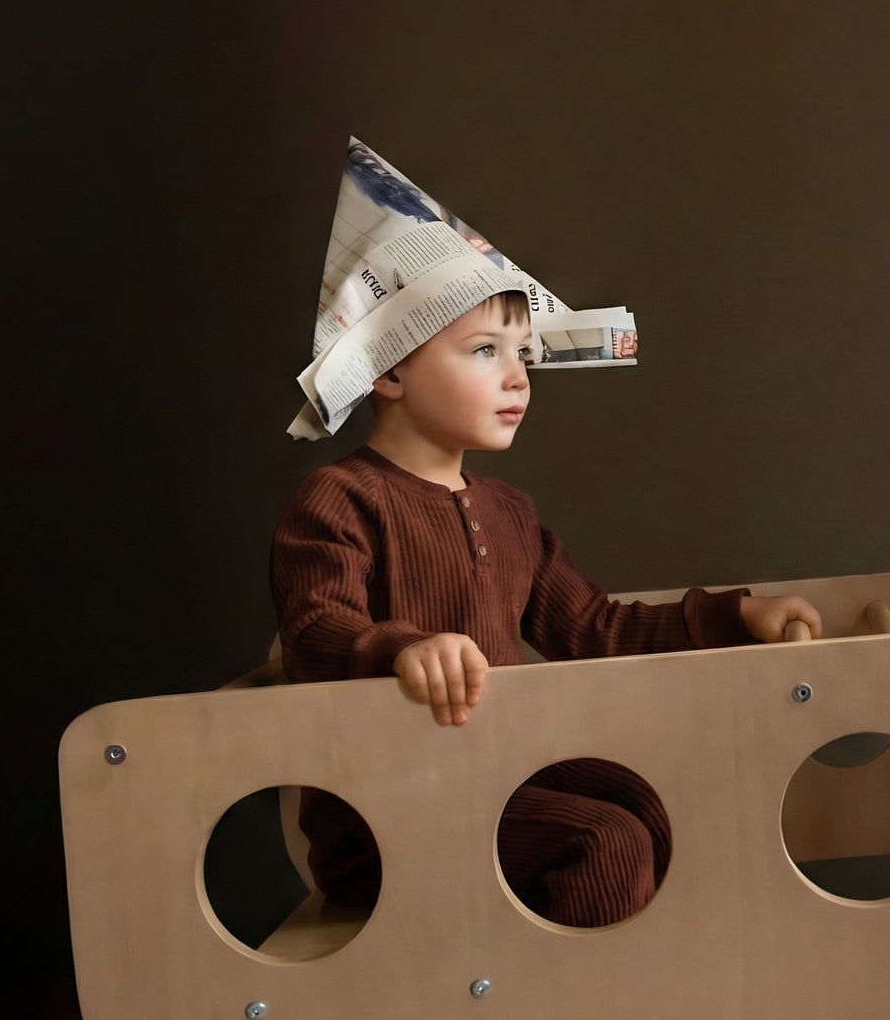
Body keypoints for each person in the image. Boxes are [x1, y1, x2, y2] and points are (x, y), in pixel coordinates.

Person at [273, 288, 819, 928]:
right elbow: (315, 629)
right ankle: (592, 995)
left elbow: (594, 629)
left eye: (523, 354)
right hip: (387, 815)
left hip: (505, 777)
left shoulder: (510, 512)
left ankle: (648, 978)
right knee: (606, 839)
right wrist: (403, 647)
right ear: (391, 371)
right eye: (485, 351)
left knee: (662, 800)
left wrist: (734, 616)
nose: (518, 378)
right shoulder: (339, 498)